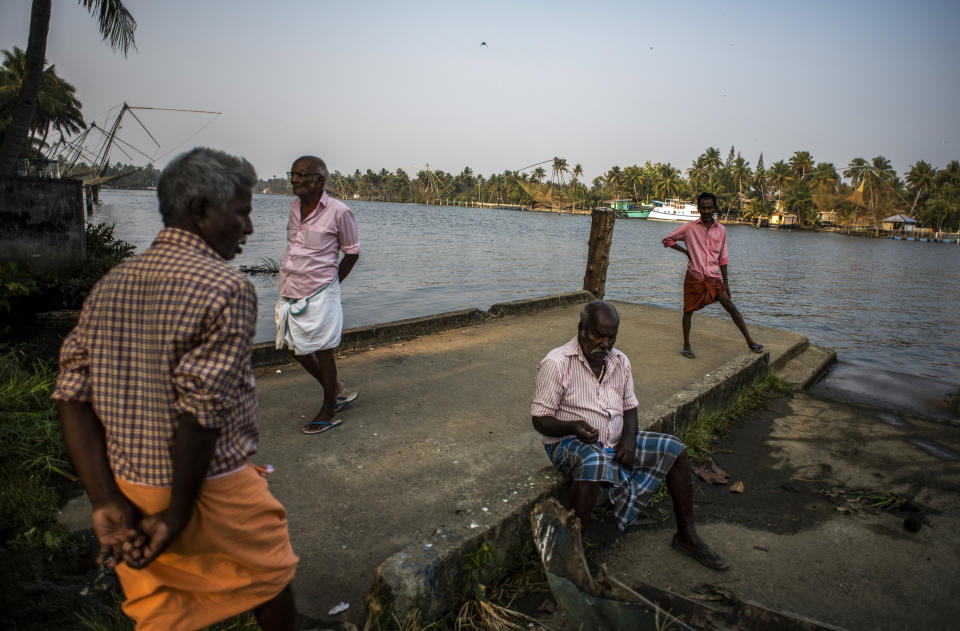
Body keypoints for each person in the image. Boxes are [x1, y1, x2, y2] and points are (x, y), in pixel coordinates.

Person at [53, 148, 299, 630]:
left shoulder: (111, 284)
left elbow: (72, 396)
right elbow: (201, 413)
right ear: (203, 210)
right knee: (270, 581)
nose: (249, 228)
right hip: (210, 486)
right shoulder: (226, 288)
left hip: (130, 485)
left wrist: (104, 500)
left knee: (160, 609)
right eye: (243, 212)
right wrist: (177, 514)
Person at [531, 300, 730, 570]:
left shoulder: (620, 361)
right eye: (597, 335)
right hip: (568, 442)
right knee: (595, 461)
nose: (604, 343)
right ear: (581, 330)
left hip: (612, 442)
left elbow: (630, 408)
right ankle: (571, 556)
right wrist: (573, 427)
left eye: (610, 337)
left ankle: (686, 536)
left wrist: (628, 439)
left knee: (675, 450)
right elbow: (540, 420)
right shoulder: (556, 363)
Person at [275, 155, 360, 435]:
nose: (295, 180)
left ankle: (329, 409)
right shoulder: (294, 206)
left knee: (324, 351)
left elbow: (351, 252)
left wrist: (332, 283)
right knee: (293, 345)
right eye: (293, 174)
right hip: (290, 289)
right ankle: (333, 388)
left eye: (301, 175)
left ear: (319, 180)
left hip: (321, 290)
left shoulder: (339, 212)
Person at [661, 192, 763, 359]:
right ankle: (686, 345)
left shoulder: (721, 230)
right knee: (688, 311)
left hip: (714, 279)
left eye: (709, 208)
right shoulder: (689, 228)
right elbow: (667, 240)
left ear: (714, 208)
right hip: (694, 277)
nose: (707, 211)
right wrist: (686, 252)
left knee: (730, 307)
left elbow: (723, 257)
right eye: (703, 208)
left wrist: (726, 282)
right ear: (698, 208)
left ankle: (750, 341)